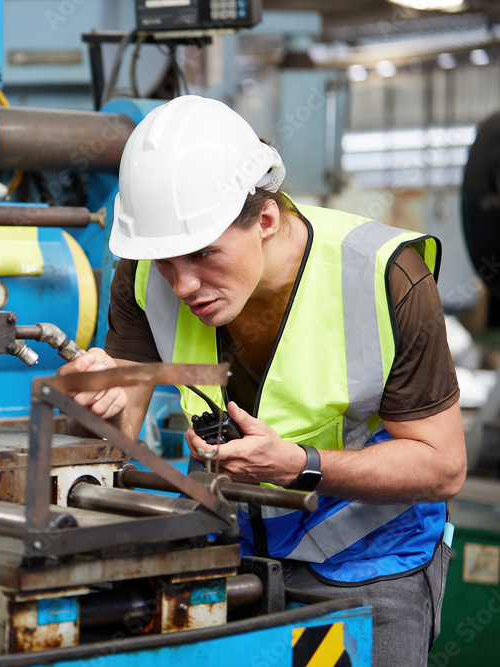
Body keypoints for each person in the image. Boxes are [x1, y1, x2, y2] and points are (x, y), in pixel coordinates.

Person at [60, 95, 466, 667]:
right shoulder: (144, 274)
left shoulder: (384, 274)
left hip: (368, 567)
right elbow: (120, 425)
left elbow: (442, 466)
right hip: (230, 553)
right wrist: (95, 400)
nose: (181, 284)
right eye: (168, 261)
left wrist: (300, 465)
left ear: (267, 218)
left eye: (202, 254)